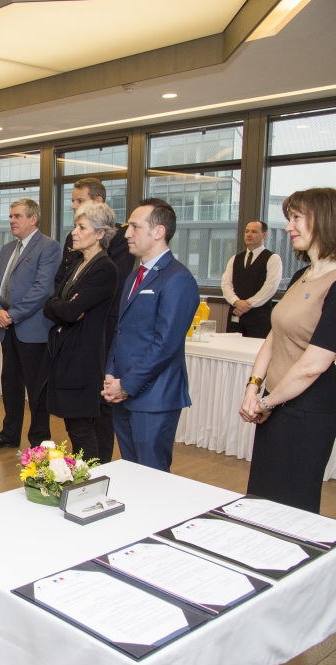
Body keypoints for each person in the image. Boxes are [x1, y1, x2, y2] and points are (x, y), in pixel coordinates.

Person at [240, 188, 336, 513]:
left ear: (325, 221)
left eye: (296, 218)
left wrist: (265, 401)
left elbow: (315, 363)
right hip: (276, 402)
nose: (289, 227)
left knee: (292, 505)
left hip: (308, 410)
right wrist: (254, 387)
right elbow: (274, 337)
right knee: (262, 498)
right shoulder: (302, 275)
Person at [102, 198, 199, 472]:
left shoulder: (177, 278)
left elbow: (165, 345)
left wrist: (127, 384)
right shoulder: (134, 277)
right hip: (124, 391)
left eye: (135, 226)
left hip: (154, 397)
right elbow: (120, 331)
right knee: (132, 472)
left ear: (158, 232)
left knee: (153, 476)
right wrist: (111, 374)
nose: (127, 233)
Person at [55, 177, 135, 463]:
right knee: (76, 419)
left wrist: (67, 305)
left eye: (79, 201)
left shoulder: (110, 258)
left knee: (96, 412)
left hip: (101, 335)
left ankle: (97, 468)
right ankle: (87, 468)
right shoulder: (78, 255)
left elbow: (72, 305)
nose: (73, 207)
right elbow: (58, 296)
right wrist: (64, 304)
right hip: (75, 341)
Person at [0, 199, 61, 450]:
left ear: (33, 219)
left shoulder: (49, 247)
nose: (12, 221)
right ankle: (9, 434)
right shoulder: (7, 248)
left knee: (37, 390)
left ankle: (39, 441)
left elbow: (43, 289)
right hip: (8, 328)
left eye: (17, 216)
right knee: (11, 384)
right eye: (11, 216)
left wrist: (13, 314)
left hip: (34, 330)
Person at [43, 202, 118, 460]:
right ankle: (84, 481)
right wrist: (61, 305)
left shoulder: (104, 267)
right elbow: (51, 304)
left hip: (83, 357)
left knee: (81, 429)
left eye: (82, 227)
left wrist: (62, 307)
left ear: (100, 234)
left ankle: (90, 482)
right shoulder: (77, 263)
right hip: (67, 354)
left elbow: (69, 313)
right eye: (75, 225)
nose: (74, 232)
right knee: (74, 427)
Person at [221, 220, 282, 339]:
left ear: (264, 235)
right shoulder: (235, 259)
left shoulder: (273, 259)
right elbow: (226, 284)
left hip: (259, 317)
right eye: (247, 231)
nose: (249, 234)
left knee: (255, 353)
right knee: (231, 349)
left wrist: (247, 305)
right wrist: (236, 302)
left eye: (254, 232)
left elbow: (270, 287)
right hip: (235, 315)